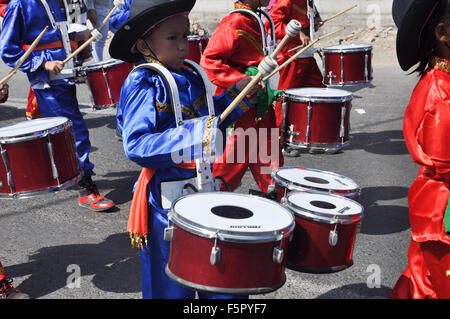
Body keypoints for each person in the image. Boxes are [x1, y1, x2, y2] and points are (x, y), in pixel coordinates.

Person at [109, 0, 261, 299]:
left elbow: (210, 121)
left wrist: (238, 96)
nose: (183, 46)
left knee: (220, 271)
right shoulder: (144, 82)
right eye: (172, 38)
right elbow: (137, 144)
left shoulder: (191, 74)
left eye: (186, 36)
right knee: (170, 280)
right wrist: (198, 132)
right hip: (166, 199)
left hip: (207, 185)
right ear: (143, 45)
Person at [0, 0, 116, 212]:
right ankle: (85, 186)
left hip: (65, 71)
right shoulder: (19, 4)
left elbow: (58, 34)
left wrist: (78, 38)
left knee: (63, 129)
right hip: (48, 77)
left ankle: (62, 172)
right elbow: (8, 49)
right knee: (75, 130)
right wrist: (44, 64)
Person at [389, 0, 450, 299]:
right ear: (443, 33)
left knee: (420, 280)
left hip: (435, 207)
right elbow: (444, 163)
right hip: (443, 211)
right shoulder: (440, 93)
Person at [200, 0, 283, 194]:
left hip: (260, 104)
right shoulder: (234, 22)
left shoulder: (255, 18)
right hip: (240, 106)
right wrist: (243, 80)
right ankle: (211, 202)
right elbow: (209, 61)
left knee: (269, 160)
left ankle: (276, 197)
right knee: (231, 163)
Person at [267, 0, 325, 155]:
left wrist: (314, 24)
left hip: (306, 54)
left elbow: (305, 21)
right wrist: (298, 33)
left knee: (318, 92)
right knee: (286, 98)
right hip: (291, 54)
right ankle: (280, 141)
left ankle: (315, 137)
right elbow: (272, 21)